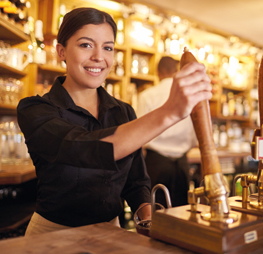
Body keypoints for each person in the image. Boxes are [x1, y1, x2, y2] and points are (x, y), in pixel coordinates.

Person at [17, 7, 212, 236]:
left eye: (107, 47)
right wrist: (169, 112)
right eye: (86, 45)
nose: (99, 57)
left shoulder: (123, 112)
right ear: (61, 51)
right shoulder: (35, 109)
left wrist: (148, 218)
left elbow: (137, 182)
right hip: (51, 237)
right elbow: (84, 148)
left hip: (111, 233)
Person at [137, 56, 198, 208]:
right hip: (182, 165)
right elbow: (194, 138)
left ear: (158, 72)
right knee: (180, 214)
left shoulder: (147, 95)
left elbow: (139, 135)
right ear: (176, 71)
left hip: (156, 163)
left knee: (155, 215)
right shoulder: (189, 96)